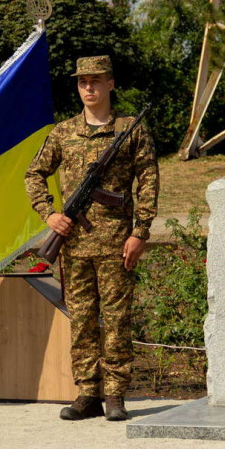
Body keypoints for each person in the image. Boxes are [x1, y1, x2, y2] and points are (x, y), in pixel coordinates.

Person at [25, 55, 159, 421]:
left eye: (96, 80)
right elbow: (34, 174)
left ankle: (115, 395)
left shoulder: (130, 129)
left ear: (110, 84)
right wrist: (49, 214)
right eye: (83, 81)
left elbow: (148, 179)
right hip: (74, 246)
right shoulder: (63, 132)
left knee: (117, 319)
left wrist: (140, 232)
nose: (89, 87)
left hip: (118, 244)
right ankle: (88, 393)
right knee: (81, 320)